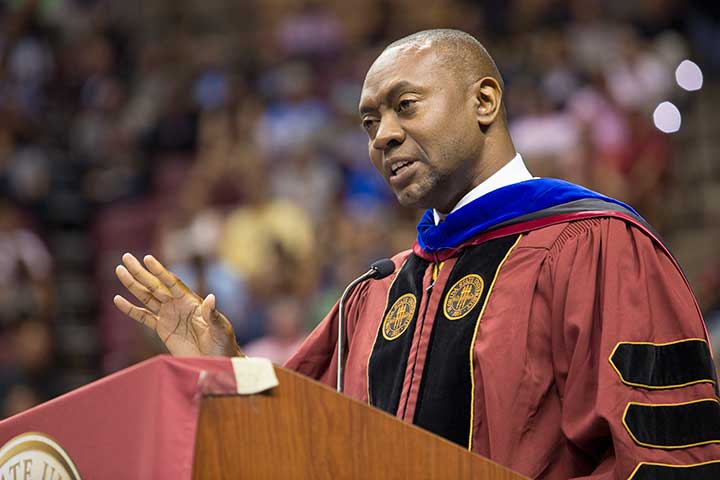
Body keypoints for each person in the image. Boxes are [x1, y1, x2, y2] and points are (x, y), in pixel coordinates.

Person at [113, 30, 720, 479]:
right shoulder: (369, 302)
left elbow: (668, 459)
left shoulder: (596, 248)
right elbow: (302, 452)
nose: (383, 137)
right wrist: (226, 372)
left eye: (406, 106)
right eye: (369, 121)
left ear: (484, 102)